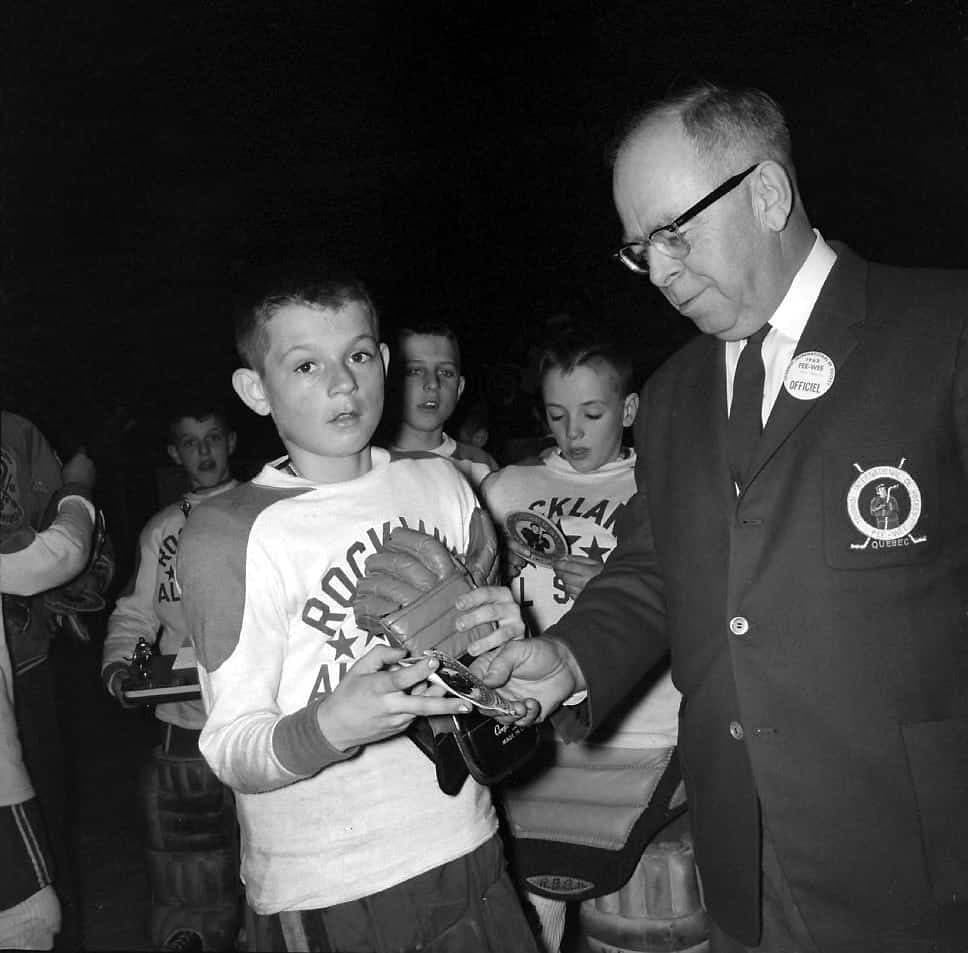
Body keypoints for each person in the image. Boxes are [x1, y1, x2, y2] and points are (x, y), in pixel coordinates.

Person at [475, 82, 968, 952]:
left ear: (767, 194)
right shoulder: (672, 394)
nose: (659, 272)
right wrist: (570, 654)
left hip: (919, 859)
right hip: (740, 858)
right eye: (639, 250)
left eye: (675, 233)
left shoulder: (943, 330)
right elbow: (659, 567)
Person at [176, 271, 539, 952]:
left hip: (467, 840)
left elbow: (487, 680)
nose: (342, 383)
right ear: (256, 389)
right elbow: (230, 745)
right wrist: (330, 724)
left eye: (360, 355)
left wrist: (501, 647)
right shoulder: (228, 532)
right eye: (306, 364)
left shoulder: (440, 481)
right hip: (330, 882)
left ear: (386, 363)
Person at [480, 331, 686, 952]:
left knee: (642, 924)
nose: (573, 431)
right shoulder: (501, 489)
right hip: (533, 739)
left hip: (647, 734)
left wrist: (612, 587)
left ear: (627, 410)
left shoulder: (665, 488)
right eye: (556, 414)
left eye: (592, 414)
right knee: (531, 923)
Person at [101, 404, 242, 953]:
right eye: (189, 442)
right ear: (174, 453)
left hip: (264, 722)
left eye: (212, 438)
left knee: (276, 877)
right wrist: (119, 663)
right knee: (192, 887)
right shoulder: (162, 528)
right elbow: (135, 615)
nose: (203, 452)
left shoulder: (267, 514)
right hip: (184, 733)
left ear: (230, 441)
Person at [1, 411, 97, 949]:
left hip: (28, 671)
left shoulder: (19, 433)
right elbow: (56, 555)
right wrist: (79, 488)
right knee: (31, 908)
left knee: (49, 846)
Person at [388, 322, 498, 490]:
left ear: (459, 388)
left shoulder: (481, 467)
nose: (432, 383)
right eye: (414, 371)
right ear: (391, 382)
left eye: (445, 372)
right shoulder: (368, 464)